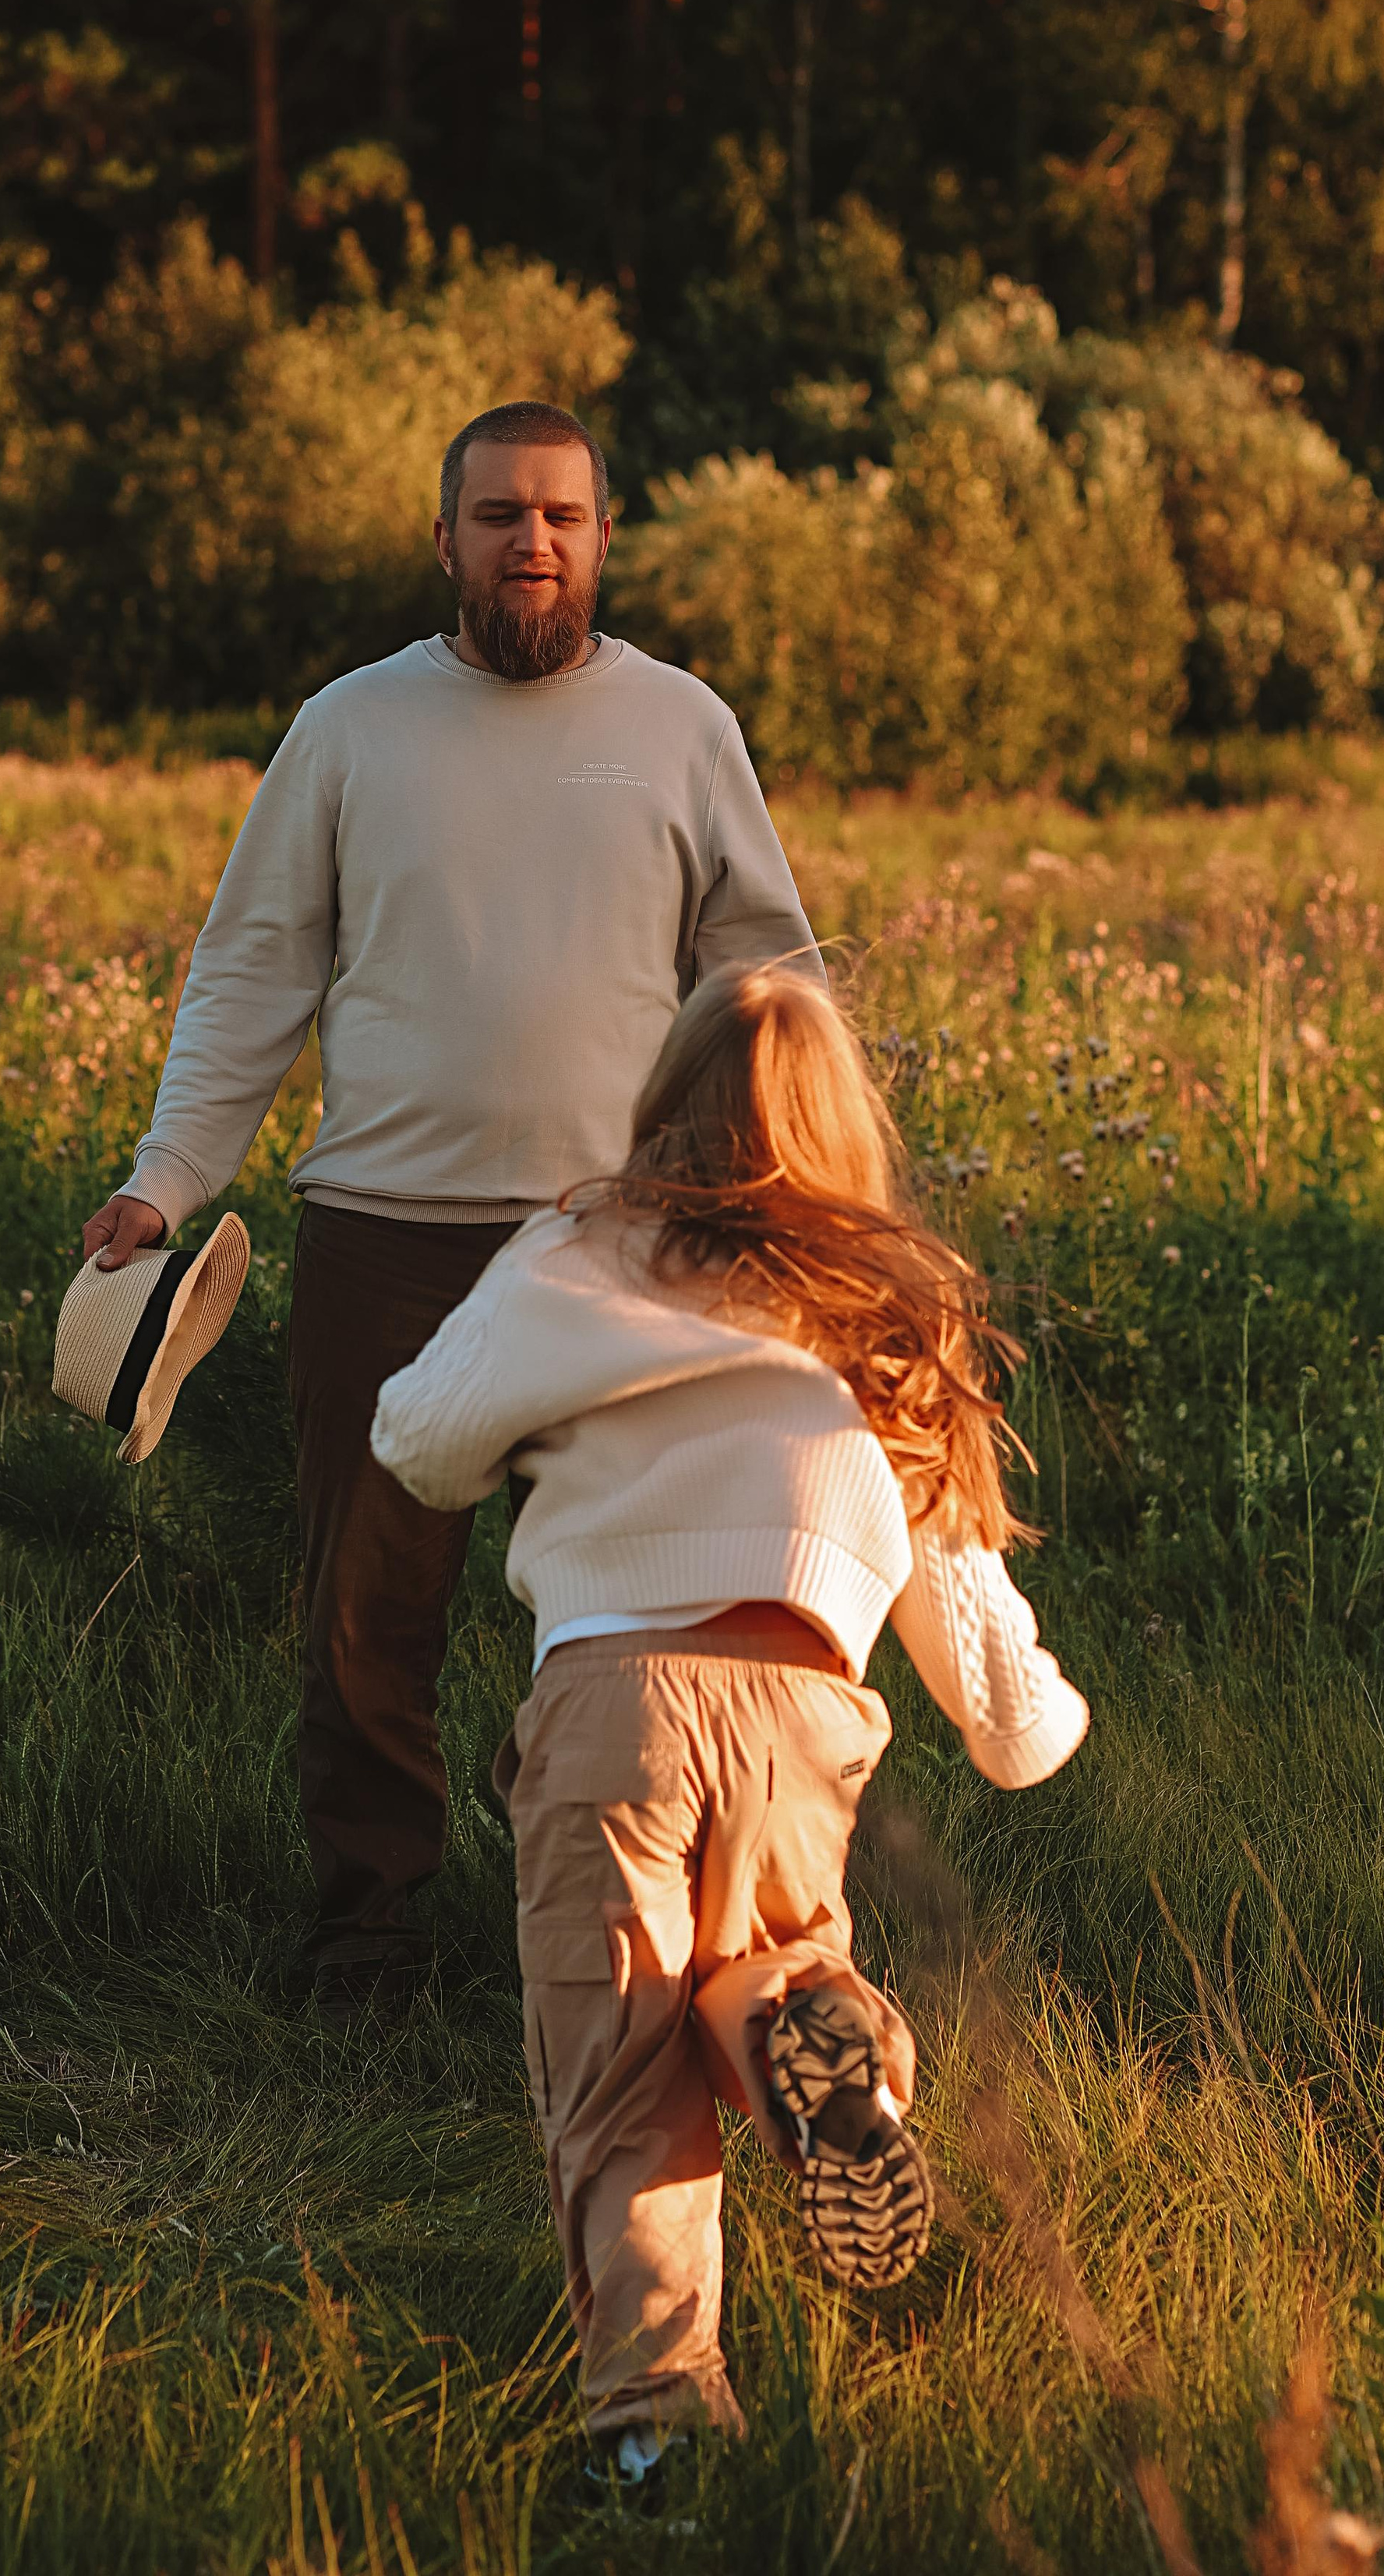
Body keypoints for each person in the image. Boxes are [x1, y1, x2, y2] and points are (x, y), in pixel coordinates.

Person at [80, 400, 817, 2021]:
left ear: (604, 535)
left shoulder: (684, 727)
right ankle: (365, 1940)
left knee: (644, 1611)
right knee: (367, 1609)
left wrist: (797, 1192)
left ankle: (645, 1944)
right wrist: (165, 1181)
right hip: (383, 1241)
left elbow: (764, 977)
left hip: (620, 1252)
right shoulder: (350, 729)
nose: (529, 543)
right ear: (444, 540)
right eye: (497, 516)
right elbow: (250, 973)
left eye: (560, 514)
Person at [370, 960, 1088, 2482]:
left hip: (611, 1703)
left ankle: (656, 2435)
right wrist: (1026, 1718)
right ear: (845, 1124)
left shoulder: (577, 1250)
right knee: (766, 1967)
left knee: (620, 2078)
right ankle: (835, 2055)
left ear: (661, 1107)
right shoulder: (891, 1304)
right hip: (798, 1709)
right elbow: (964, 1608)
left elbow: (419, 1440)